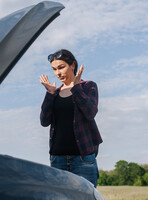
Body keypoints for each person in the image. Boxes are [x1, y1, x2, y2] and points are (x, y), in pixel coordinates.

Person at [39, 49, 103, 187]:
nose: (58, 73)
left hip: (83, 159)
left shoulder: (88, 86)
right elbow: (44, 121)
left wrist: (76, 88)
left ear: (72, 65)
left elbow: (90, 113)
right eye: (54, 69)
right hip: (58, 160)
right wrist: (49, 95)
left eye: (61, 67)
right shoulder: (54, 93)